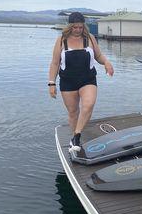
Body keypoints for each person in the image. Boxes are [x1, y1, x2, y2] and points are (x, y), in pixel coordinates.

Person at [48, 12, 114, 149]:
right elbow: (55, 63)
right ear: (70, 26)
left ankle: (77, 136)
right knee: (73, 112)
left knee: (88, 105)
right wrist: (51, 83)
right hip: (68, 82)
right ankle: (74, 140)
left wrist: (106, 62)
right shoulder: (61, 40)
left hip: (88, 79)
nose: (78, 30)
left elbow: (99, 55)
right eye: (75, 27)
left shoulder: (89, 38)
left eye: (80, 27)